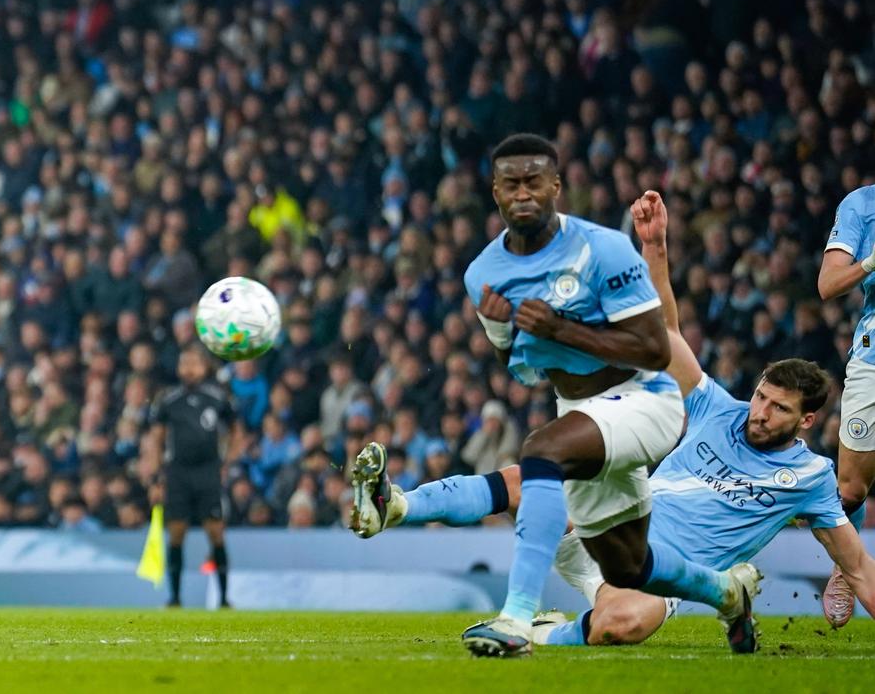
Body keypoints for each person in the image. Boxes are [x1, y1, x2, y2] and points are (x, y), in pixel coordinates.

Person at [353, 190, 875, 647]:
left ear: (806, 421)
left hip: (656, 577)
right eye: (761, 397)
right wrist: (656, 248)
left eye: (778, 408)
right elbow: (667, 333)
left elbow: (859, 569)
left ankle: (543, 632)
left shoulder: (811, 479)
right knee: (531, 477)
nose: (759, 413)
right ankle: (397, 504)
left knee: (624, 624)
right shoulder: (719, 408)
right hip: (613, 522)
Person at [353, 134, 758, 657]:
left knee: (540, 454)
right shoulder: (483, 275)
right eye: (510, 183)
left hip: (647, 398)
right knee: (629, 565)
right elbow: (520, 369)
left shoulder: (603, 249)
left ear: (556, 187)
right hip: (581, 411)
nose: (523, 192)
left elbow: (656, 349)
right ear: (495, 192)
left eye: (534, 181)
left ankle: (517, 619)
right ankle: (728, 592)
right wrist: (504, 333)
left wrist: (562, 328)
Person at [816, 183, 875, 626]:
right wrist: (871, 262)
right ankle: (845, 567)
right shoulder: (861, 204)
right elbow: (828, 283)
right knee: (851, 488)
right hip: (874, 356)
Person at [150, 346, 236, 608]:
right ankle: (175, 597)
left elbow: (236, 431)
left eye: (194, 363)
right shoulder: (168, 400)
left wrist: (227, 463)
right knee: (176, 533)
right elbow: (157, 439)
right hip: (178, 472)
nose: (188, 368)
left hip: (208, 471)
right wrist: (156, 476)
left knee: (215, 531)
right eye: (184, 362)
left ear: (204, 367)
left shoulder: (218, 398)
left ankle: (223, 598)